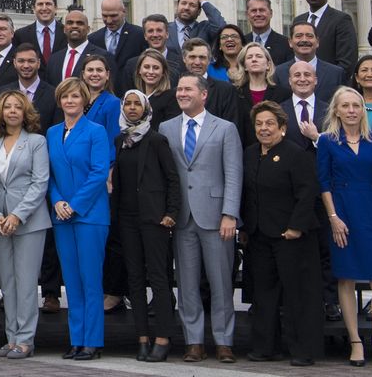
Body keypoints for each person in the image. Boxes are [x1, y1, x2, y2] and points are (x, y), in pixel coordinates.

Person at [164, 74, 243, 363]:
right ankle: (193, 341)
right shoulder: (167, 128)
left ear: (204, 94)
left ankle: (224, 341)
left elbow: (234, 174)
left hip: (215, 217)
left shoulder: (225, 129)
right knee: (186, 283)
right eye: (179, 88)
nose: (181, 93)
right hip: (182, 219)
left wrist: (229, 213)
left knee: (221, 281)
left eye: (187, 89)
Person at [319, 86, 372, 367]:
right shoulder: (328, 141)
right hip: (342, 214)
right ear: (336, 110)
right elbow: (324, 182)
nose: (351, 110)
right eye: (346, 106)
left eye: (356, 105)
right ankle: (355, 341)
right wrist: (333, 217)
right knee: (347, 279)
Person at [242, 102, 324, 365]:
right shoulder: (250, 153)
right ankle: (266, 347)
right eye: (259, 124)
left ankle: (303, 351)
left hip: (291, 235)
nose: (263, 129)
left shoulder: (296, 154)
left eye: (269, 124)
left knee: (297, 294)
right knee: (264, 294)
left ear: (282, 128)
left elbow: (307, 193)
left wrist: (296, 227)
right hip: (259, 235)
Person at [48, 76, 113, 360]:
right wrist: (57, 200)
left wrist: (74, 204)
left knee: (90, 280)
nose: (70, 101)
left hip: (90, 215)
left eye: (75, 96)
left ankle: (93, 341)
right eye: (65, 96)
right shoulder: (51, 133)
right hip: (61, 215)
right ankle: (76, 339)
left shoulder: (96, 131)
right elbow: (47, 174)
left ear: (84, 100)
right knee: (71, 280)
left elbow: (100, 172)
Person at [113, 89, 180, 362]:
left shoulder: (156, 140)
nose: (131, 108)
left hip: (154, 219)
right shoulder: (120, 140)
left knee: (159, 278)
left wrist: (171, 213)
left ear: (145, 109)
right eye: (127, 104)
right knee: (135, 279)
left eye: (136, 104)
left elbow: (172, 179)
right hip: (127, 219)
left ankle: (163, 337)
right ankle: (142, 336)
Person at [0, 88, 52, 360]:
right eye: (8, 106)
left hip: (29, 222)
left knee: (26, 282)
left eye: (17, 106)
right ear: (0, 112)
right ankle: (11, 337)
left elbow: (40, 183)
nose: (12, 111)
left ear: (25, 112)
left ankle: (26, 339)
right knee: (8, 282)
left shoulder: (36, 141)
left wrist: (17, 215)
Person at [299, 0, 359, 76]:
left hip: (330, 84)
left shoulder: (341, 20)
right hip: (301, 83)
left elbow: (347, 61)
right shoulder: (299, 20)